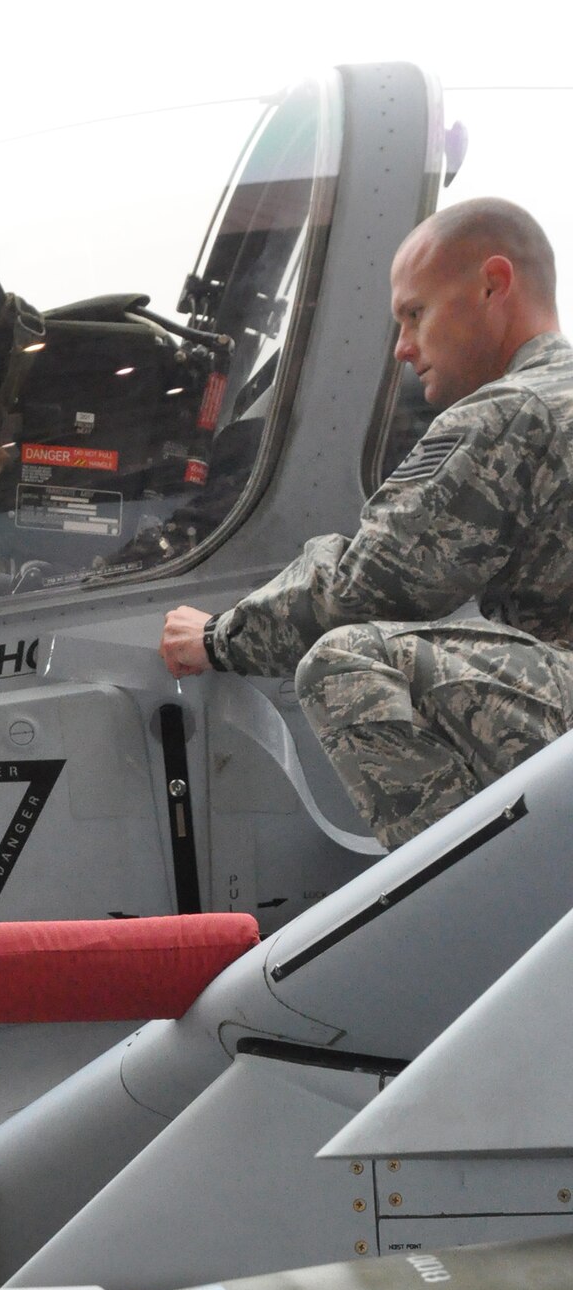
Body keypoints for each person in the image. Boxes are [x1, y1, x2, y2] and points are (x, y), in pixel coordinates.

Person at [159, 198, 573, 849]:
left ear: (493, 284)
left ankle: (481, 905)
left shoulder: (512, 413)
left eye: (416, 314)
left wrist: (217, 637)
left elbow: (364, 589)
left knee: (347, 664)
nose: (404, 348)